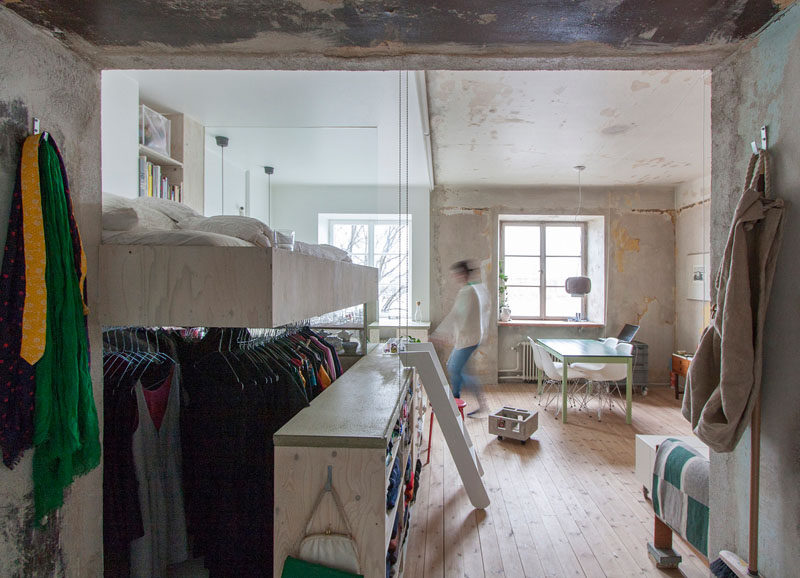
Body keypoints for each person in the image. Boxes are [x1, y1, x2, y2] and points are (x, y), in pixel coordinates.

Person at [432, 260, 490, 416]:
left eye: (456, 274)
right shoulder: (472, 289)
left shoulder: (467, 292)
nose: (455, 277)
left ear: (463, 274)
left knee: (454, 368)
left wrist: (442, 336)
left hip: (468, 340)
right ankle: (470, 403)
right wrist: (444, 335)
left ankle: (457, 401)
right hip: (470, 338)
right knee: (458, 368)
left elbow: (458, 316)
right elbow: (458, 315)